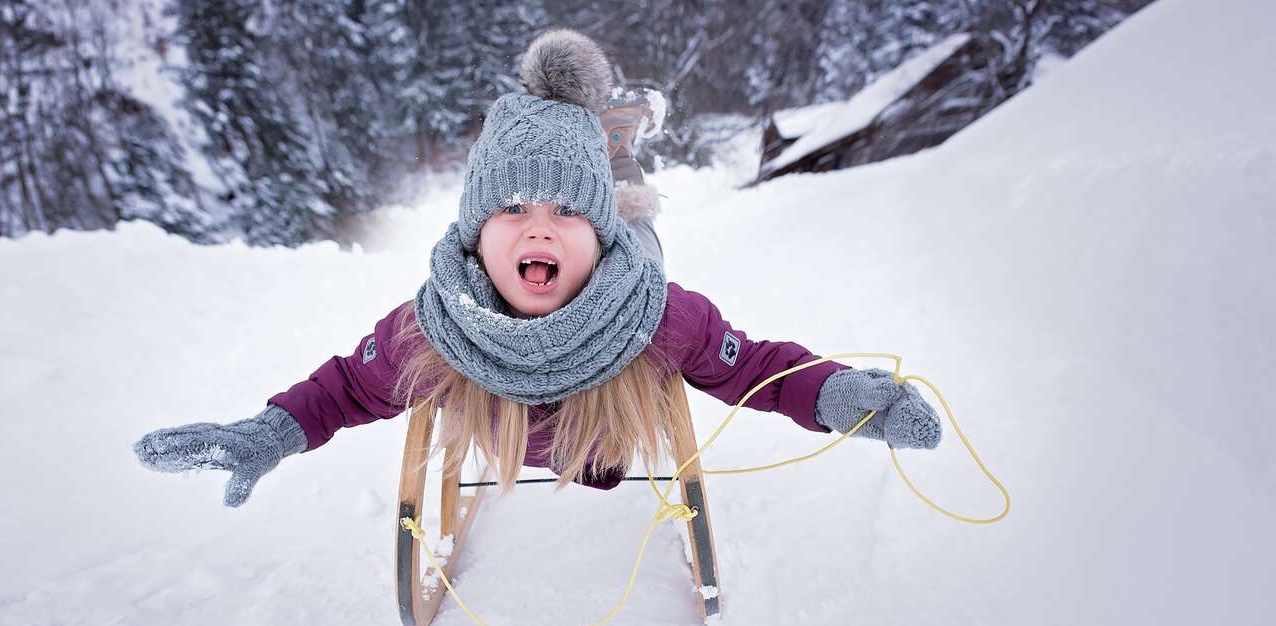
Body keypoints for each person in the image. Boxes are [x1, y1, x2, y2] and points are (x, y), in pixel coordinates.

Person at [133, 30, 941, 508]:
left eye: (563, 216)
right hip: (563, 306)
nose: (537, 230)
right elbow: (347, 387)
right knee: (583, 194)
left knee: (630, 208)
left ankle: (611, 160)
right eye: (512, 211)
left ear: (593, 235)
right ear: (475, 234)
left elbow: (757, 371)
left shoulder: (657, 316)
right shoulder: (435, 325)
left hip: (618, 282)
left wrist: (844, 398)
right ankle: (598, 146)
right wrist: (268, 432)